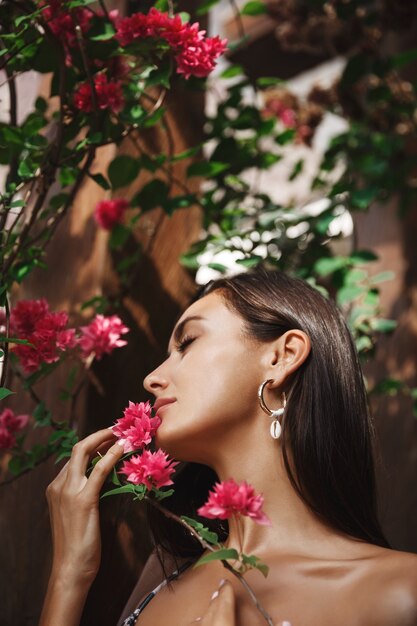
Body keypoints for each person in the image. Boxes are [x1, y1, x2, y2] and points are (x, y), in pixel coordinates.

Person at [40, 269, 417, 626]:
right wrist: (69, 576)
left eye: (187, 344)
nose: (152, 378)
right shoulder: (163, 576)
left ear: (281, 357)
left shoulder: (402, 590)